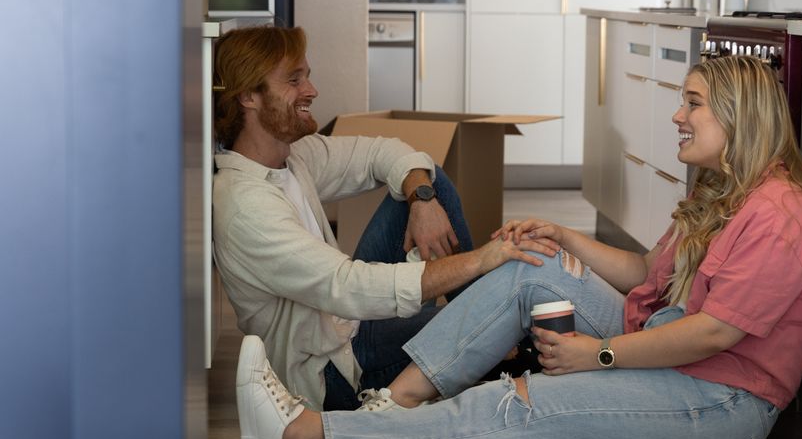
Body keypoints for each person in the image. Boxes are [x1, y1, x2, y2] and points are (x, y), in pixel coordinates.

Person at [235, 55, 802, 439]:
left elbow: (712, 333)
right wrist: (562, 236)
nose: (678, 115)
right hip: (670, 351)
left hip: (721, 402)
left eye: (693, 103)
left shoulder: (782, 216)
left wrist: (595, 355)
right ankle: (393, 404)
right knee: (529, 265)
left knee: (525, 401)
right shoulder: (724, 192)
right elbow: (643, 273)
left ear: (740, 115)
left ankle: (306, 437)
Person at [212, 25, 556, 413]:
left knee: (429, 182)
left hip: (349, 326)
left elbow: (383, 153)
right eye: (294, 80)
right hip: (334, 373)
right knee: (500, 328)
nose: (311, 90)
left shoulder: (292, 158)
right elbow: (349, 285)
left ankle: (492, 326)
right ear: (247, 97)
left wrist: (422, 199)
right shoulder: (246, 206)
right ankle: (502, 341)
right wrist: (480, 259)